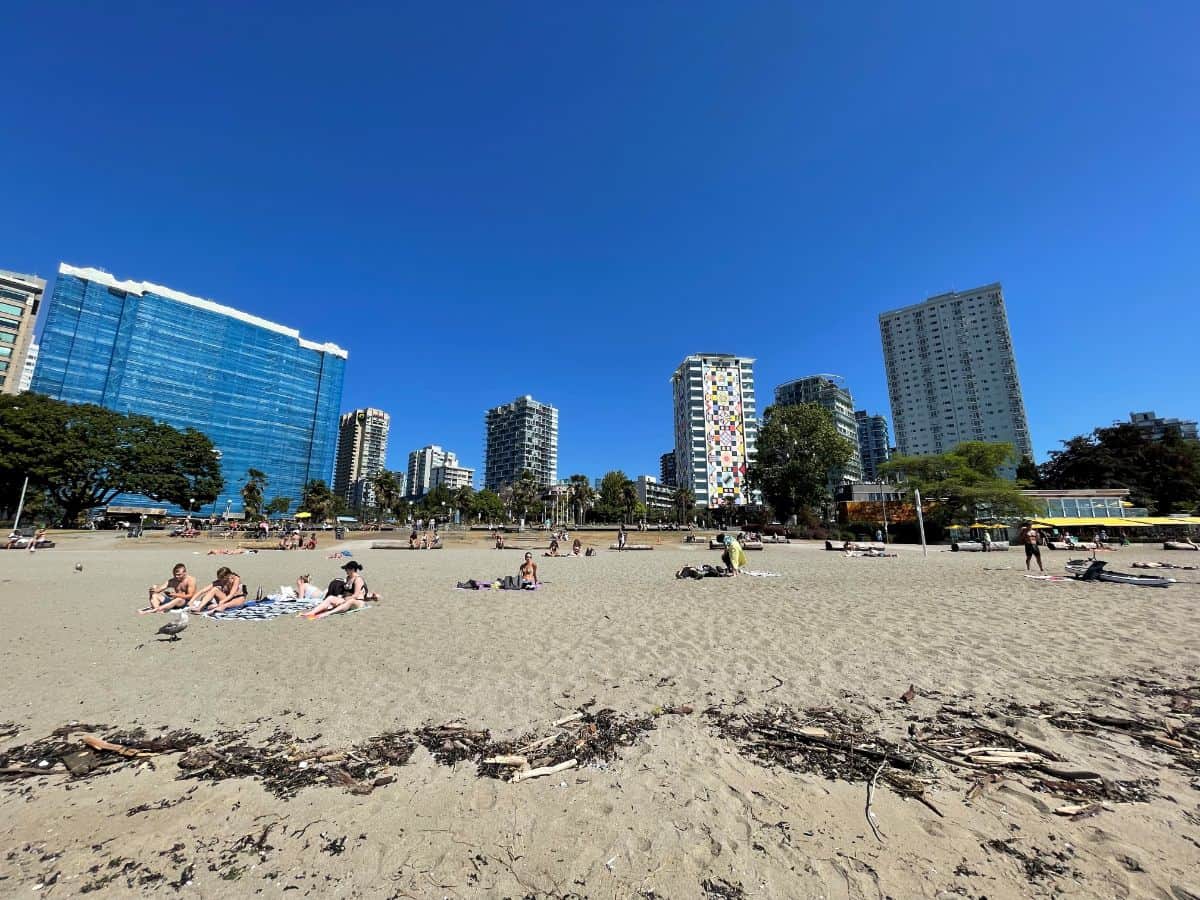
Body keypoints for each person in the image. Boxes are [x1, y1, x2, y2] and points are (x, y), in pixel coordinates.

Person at [303, 561, 380, 618]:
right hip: (347, 599)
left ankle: (328, 613)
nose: (345, 571)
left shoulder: (358, 579)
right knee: (330, 598)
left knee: (350, 601)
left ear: (352, 569)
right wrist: (341, 597)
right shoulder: (348, 578)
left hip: (358, 602)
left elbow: (356, 595)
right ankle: (311, 612)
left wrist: (346, 598)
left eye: (347, 569)